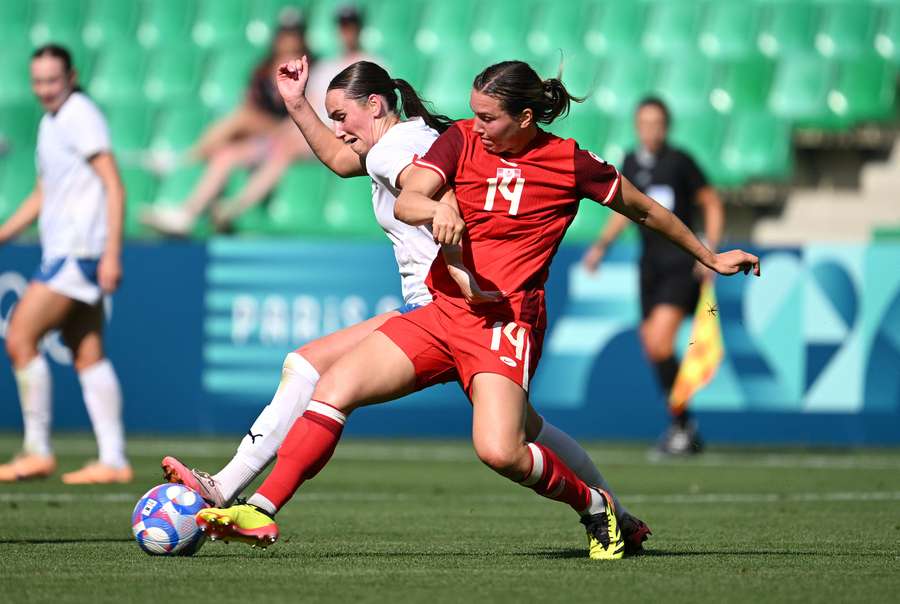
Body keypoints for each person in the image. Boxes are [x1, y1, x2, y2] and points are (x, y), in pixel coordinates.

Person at [195, 60, 759, 559]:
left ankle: (597, 507)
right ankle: (262, 508)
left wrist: (708, 255)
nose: (476, 125)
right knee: (334, 385)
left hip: (505, 321)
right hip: (444, 311)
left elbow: (647, 211)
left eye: (489, 117)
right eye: (474, 114)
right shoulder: (462, 139)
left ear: (525, 119)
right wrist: (434, 211)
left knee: (501, 450)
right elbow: (414, 191)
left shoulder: (568, 164)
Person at [0, 45, 131, 484]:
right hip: (68, 250)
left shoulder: (79, 113)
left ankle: (38, 449)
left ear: (70, 77)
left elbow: (114, 184)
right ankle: (113, 460)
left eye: (52, 80)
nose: (44, 90)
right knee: (87, 353)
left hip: (78, 250)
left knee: (20, 336)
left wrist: (112, 251)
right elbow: (43, 193)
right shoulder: (51, 121)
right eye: (37, 81)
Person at [582, 97, 725, 455]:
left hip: (680, 264)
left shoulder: (680, 162)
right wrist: (602, 246)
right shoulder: (631, 161)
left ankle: (682, 427)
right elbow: (624, 209)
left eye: (657, 123)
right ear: (636, 126)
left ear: (667, 126)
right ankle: (683, 426)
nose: (651, 129)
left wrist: (708, 250)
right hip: (649, 268)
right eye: (644, 123)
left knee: (660, 342)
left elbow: (712, 202)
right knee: (652, 347)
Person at [141, 22, 317, 236]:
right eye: (285, 34)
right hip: (266, 137)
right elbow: (252, 102)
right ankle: (187, 213)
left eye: (294, 35)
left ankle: (189, 167)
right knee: (226, 153)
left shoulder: (312, 68)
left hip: (290, 136)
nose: (289, 40)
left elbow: (306, 113)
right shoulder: (264, 69)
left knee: (245, 121)